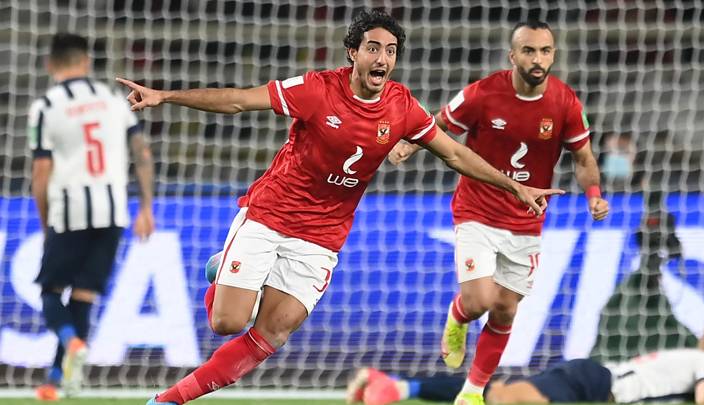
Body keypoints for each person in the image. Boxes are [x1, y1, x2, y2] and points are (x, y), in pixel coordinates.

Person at [116, 9, 563, 405]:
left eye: (390, 51)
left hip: (322, 236)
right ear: (352, 51)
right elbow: (239, 99)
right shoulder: (316, 90)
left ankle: (169, 400)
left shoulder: (401, 106)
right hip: (271, 215)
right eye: (373, 48)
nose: (382, 59)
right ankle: (224, 266)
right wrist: (165, 96)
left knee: (274, 332)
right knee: (227, 322)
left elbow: (454, 153)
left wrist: (513, 187)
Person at [388, 21, 609, 405]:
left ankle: (472, 392)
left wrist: (593, 194)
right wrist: (409, 147)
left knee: (505, 308)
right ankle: (457, 317)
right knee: (478, 302)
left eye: (545, 51)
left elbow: (584, 157)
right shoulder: (484, 93)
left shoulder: (565, 102)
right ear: (513, 56)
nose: (537, 59)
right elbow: (439, 124)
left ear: (553, 55)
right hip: (477, 211)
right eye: (529, 51)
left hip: (527, 221)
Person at [27, 33, 155, 400]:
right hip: (113, 210)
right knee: (83, 296)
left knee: (50, 290)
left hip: (70, 211)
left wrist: (46, 220)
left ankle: (70, 342)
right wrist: (146, 208)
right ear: (85, 62)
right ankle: (57, 380)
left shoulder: (46, 105)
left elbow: (40, 172)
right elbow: (141, 153)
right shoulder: (112, 100)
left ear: (51, 65)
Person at [346, 300, 704, 405]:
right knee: (506, 399)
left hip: (593, 385)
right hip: (596, 385)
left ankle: (398, 387)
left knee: (497, 396)